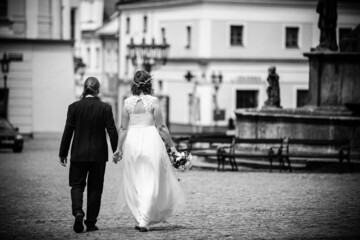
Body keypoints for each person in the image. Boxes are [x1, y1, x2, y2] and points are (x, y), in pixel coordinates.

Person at [113, 70, 185, 232]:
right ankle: (143, 219)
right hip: (150, 140)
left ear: (134, 84)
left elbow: (123, 128)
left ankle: (141, 217)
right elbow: (161, 127)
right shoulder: (153, 102)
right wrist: (173, 148)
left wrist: (119, 149)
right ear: (149, 84)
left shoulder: (127, 103)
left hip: (132, 142)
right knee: (151, 179)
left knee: (136, 179)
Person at [59, 77, 118, 233]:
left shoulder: (74, 107)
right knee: (95, 188)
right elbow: (112, 131)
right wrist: (116, 150)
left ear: (84, 90)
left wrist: (63, 152)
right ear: (97, 90)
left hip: (78, 154)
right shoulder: (105, 108)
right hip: (98, 156)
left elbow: (68, 131)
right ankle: (91, 223)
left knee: (77, 185)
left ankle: (78, 211)